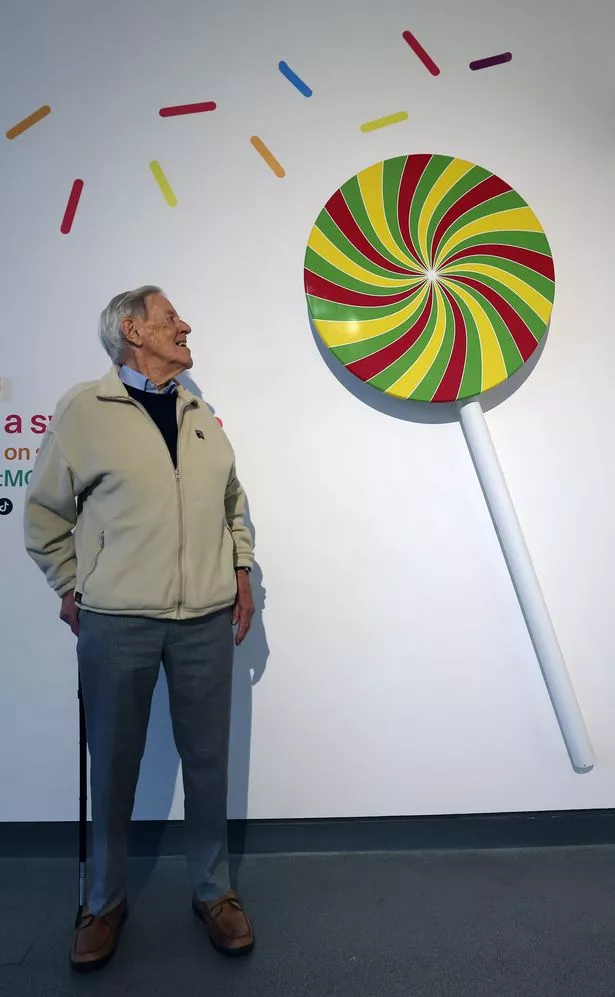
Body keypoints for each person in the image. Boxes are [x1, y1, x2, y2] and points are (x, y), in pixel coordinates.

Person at [24, 286, 256, 971]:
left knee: (208, 764)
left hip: (205, 618)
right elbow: (43, 516)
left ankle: (214, 891)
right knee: (114, 766)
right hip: (117, 621)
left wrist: (240, 568)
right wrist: (73, 584)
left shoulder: (198, 413)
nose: (183, 326)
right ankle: (102, 901)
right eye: (167, 318)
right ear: (132, 331)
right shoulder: (83, 410)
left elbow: (231, 503)